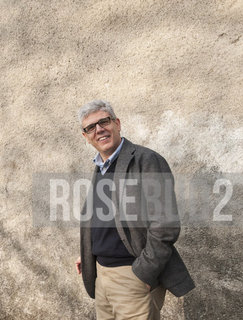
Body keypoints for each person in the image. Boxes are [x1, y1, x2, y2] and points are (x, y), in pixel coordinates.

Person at [74, 100, 195, 320]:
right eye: (90, 127)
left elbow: (165, 225)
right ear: (85, 137)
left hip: (132, 275)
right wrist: (90, 250)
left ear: (117, 123)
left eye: (104, 121)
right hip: (102, 275)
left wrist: (144, 274)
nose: (99, 129)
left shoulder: (146, 160)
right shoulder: (102, 166)